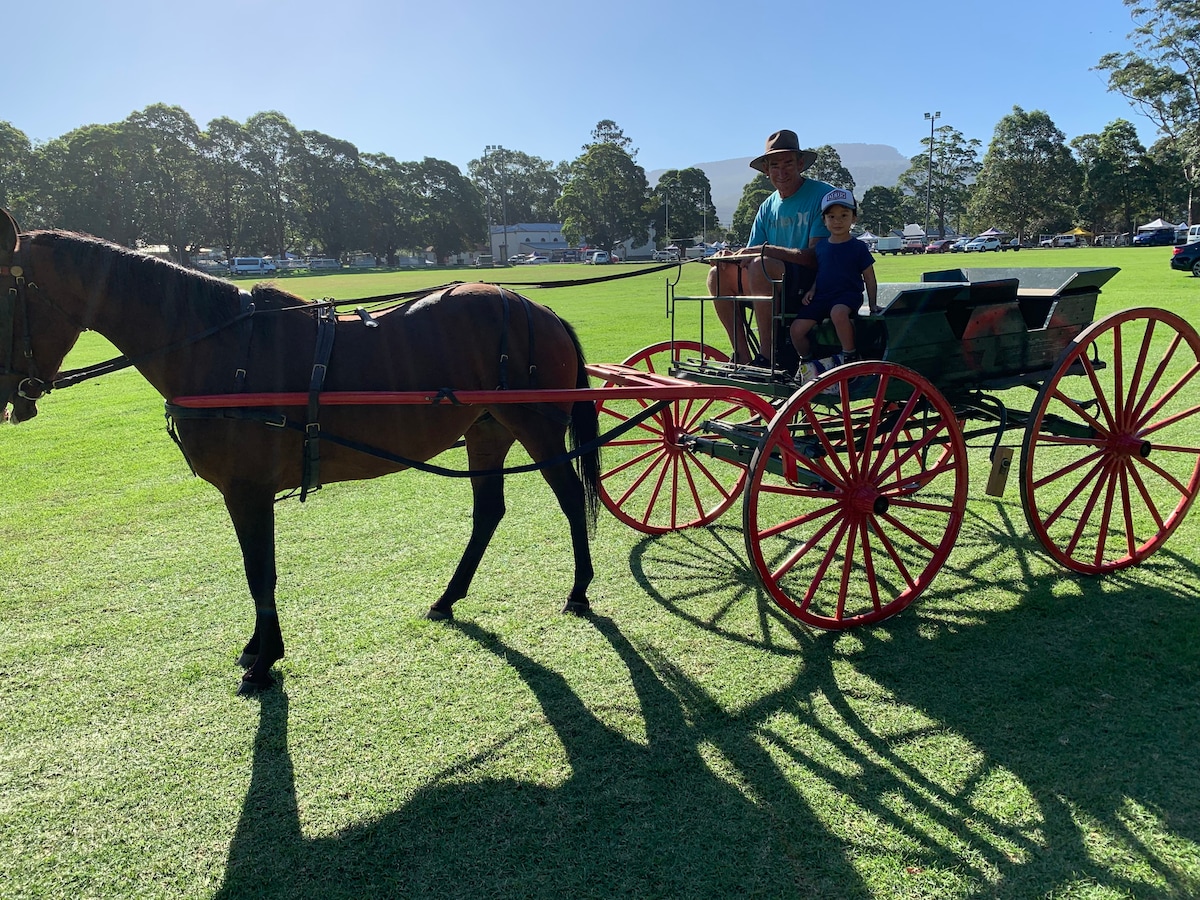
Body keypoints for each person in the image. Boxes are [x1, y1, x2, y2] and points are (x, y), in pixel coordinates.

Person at [706, 129, 834, 367]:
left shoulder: (823, 195)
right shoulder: (767, 206)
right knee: (717, 274)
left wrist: (766, 252)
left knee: (760, 265)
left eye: (788, 163)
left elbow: (817, 257)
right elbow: (750, 253)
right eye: (774, 165)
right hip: (772, 280)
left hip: (813, 285)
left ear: (801, 163)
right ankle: (742, 356)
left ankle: (769, 355)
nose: (781, 172)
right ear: (766, 170)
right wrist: (729, 258)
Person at [790, 188, 879, 375]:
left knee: (838, 313)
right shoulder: (821, 246)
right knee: (797, 330)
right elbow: (822, 272)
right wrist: (812, 290)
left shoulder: (858, 247)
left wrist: (872, 304)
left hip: (847, 295)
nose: (837, 221)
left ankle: (850, 356)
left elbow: (869, 277)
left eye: (844, 215)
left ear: (854, 218)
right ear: (824, 220)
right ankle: (808, 363)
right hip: (822, 296)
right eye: (831, 216)